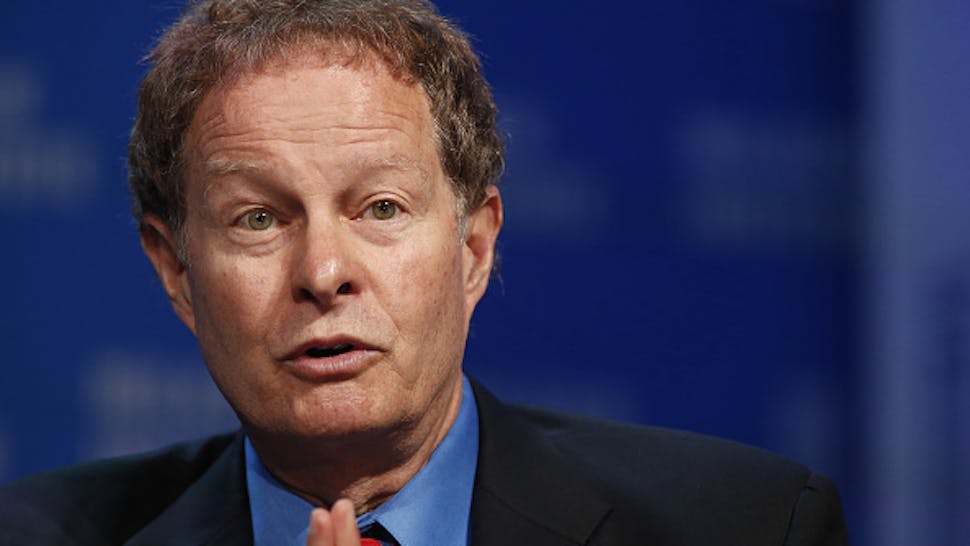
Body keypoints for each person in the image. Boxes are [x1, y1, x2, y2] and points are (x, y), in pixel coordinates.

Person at [0, 1, 849, 544]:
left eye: (380, 208)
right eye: (258, 219)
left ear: (474, 247)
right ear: (177, 270)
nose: (324, 271)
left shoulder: (745, 524)